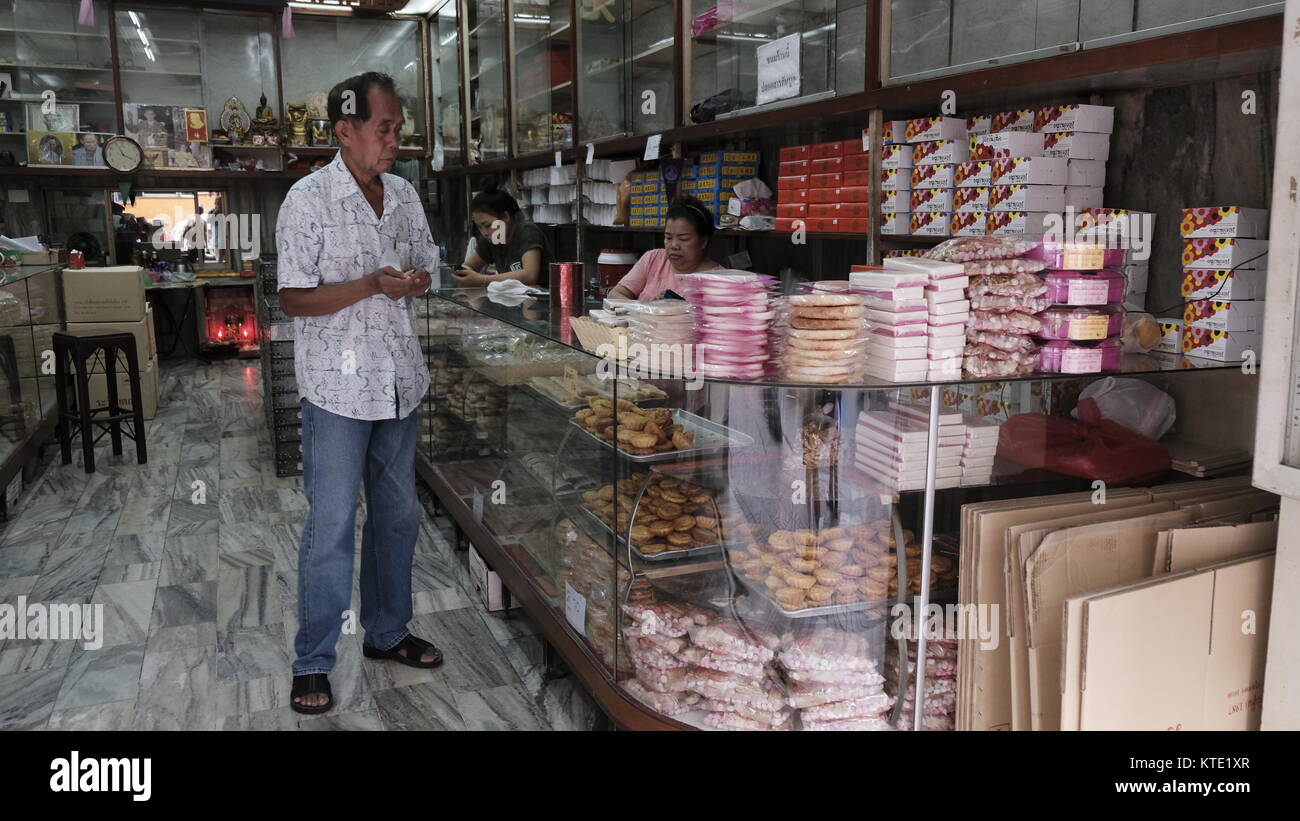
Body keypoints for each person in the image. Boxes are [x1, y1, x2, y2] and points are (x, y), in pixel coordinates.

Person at [275, 71, 443, 715]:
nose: (396, 139)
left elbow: (428, 265)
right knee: (332, 525)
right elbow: (292, 298)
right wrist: (370, 285)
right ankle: (314, 659)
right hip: (337, 393)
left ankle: (387, 632)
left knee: (398, 517)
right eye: (385, 128)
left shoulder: (402, 194)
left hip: (400, 382)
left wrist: (418, 279)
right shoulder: (308, 200)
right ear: (345, 132)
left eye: (399, 127)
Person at [607, 196, 722, 301]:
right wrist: (647, 309)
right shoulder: (653, 258)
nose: (673, 245)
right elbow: (615, 295)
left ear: (703, 241)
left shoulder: (719, 280)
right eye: (668, 237)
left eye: (683, 239)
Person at [453, 175, 551, 287]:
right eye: (479, 227)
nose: (484, 232)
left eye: (488, 225)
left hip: (544, 301)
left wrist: (483, 279)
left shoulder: (528, 232)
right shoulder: (490, 239)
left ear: (505, 216)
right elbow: (468, 266)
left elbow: (530, 275)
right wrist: (463, 273)